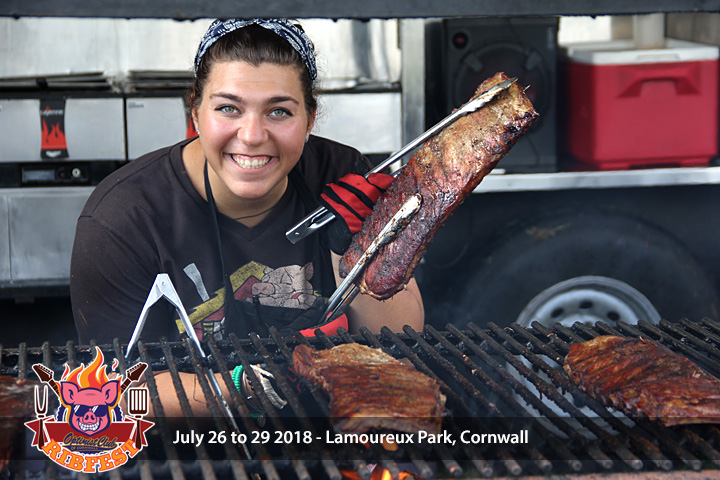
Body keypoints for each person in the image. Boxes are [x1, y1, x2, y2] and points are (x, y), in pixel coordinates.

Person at [70, 18, 424, 349]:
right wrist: (243, 387)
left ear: (309, 119)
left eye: (279, 111)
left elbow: (400, 342)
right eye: (228, 108)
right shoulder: (124, 219)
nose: (253, 136)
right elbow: (116, 388)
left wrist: (354, 251)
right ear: (195, 113)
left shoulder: (343, 175)